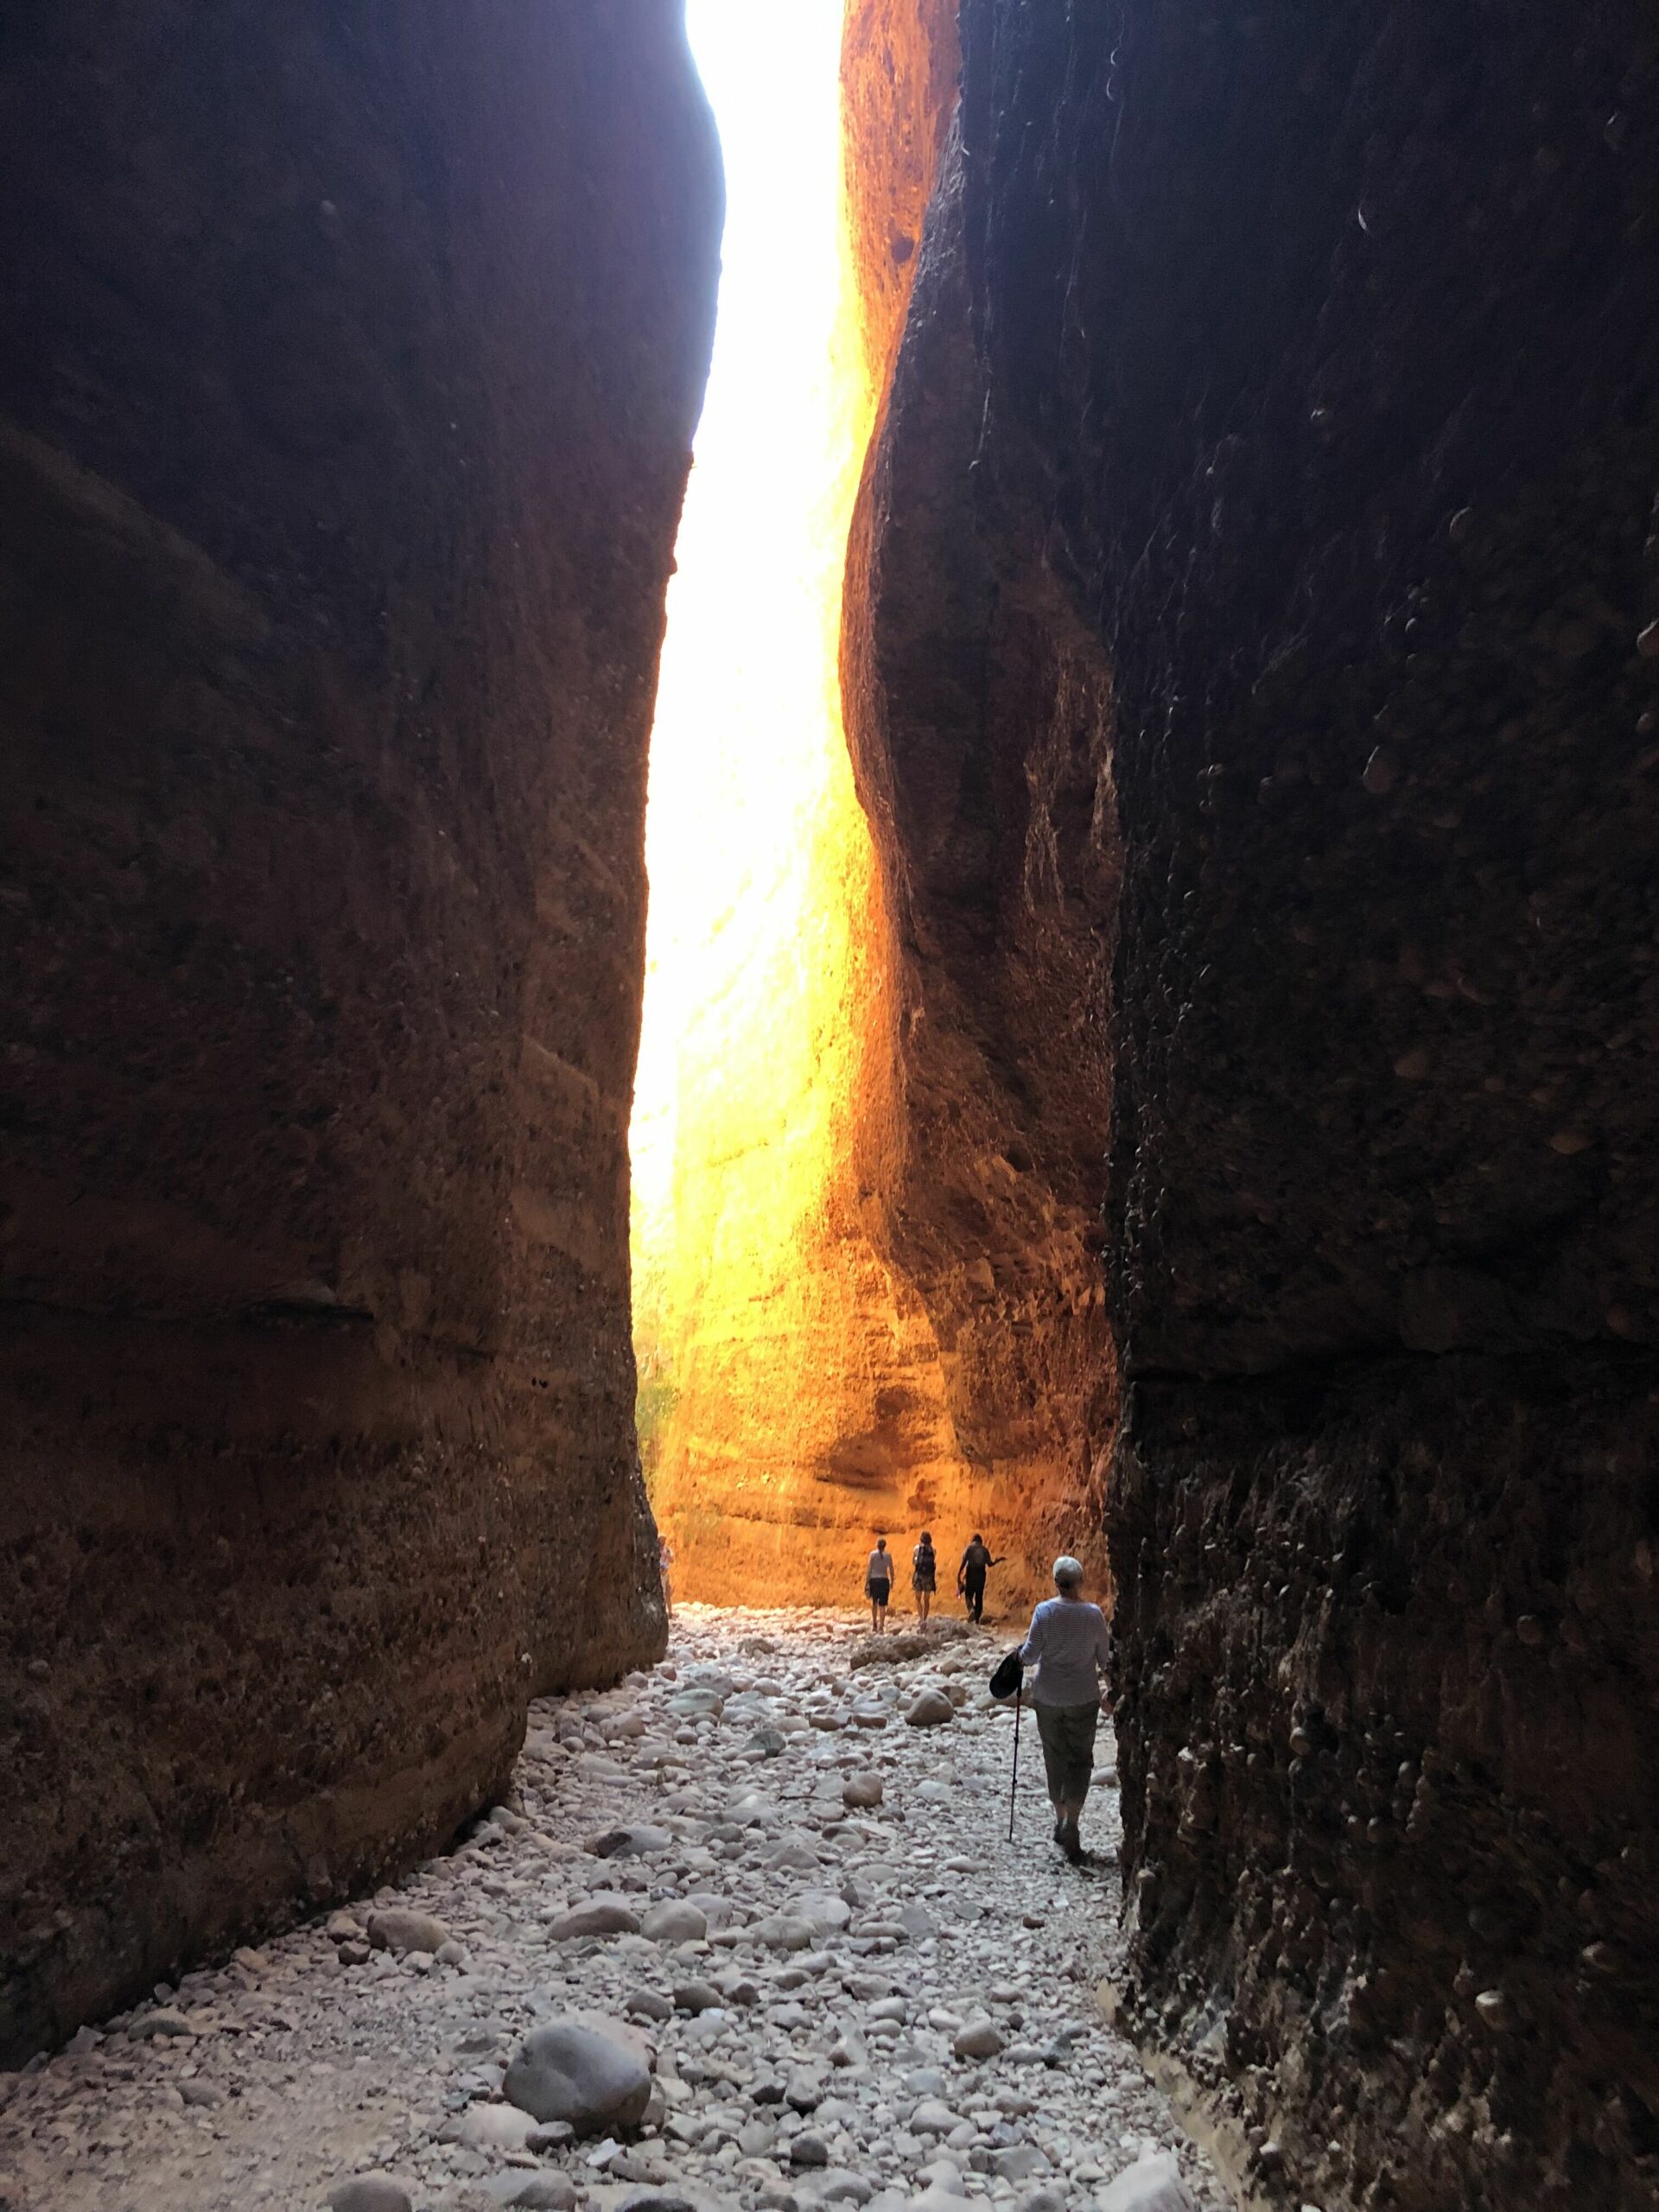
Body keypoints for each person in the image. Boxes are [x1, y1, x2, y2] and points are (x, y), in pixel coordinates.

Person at [1019, 1554, 1111, 1862]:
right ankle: (1073, 1821)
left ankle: (1059, 1819)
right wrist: (1112, 1690)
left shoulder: (1044, 1611)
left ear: (1056, 1582)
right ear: (1081, 1582)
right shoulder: (1094, 1614)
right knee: (1080, 1760)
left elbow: (1031, 1656)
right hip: (1083, 1698)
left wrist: (1016, 1658)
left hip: (1048, 1697)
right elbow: (1105, 1659)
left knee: (1054, 1756)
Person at [957, 1531, 1001, 1623]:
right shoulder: (984, 1550)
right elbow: (989, 1564)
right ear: (981, 1541)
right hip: (981, 1574)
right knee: (979, 1596)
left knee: (968, 1595)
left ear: (973, 1540)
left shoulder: (969, 1548)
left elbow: (964, 1562)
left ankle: (971, 1610)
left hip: (971, 1573)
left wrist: (959, 1574)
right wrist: (997, 1561)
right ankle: (976, 1620)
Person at [865, 1535, 894, 1631]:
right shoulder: (888, 1556)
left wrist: (867, 1582)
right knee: (882, 1605)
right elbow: (891, 1569)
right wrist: (892, 1581)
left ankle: (874, 1624)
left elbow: (869, 1569)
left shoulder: (873, 1554)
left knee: (874, 1603)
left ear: (877, 1545)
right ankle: (881, 1625)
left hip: (874, 1580)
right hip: (884, 1581)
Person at [912, 1529, 938, 1624]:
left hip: (919, 1576)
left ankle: (921, 1618)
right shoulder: (933, 1550)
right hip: (929, 1577)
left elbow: (914, 1562)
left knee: (918, 1598)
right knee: (926, 1599)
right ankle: (925, 1619)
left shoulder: (916, 1549)